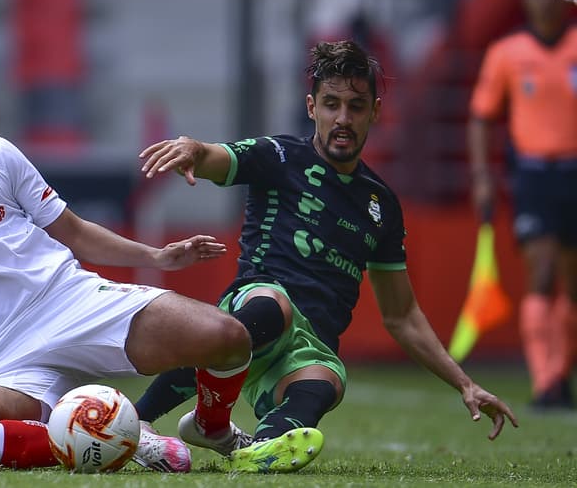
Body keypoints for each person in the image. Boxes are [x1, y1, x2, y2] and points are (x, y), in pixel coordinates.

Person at [0, 25, 327, 474]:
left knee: (228, 338)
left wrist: (157, 256)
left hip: (73, 300)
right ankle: (120, 441)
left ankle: (212, 429)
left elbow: (71, 231)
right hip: (6, 356)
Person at [134, 40, 517, 468]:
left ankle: (254, 445)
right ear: (312, 107)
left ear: (374, 111)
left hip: (309, 346)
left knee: (329, 378)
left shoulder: (381, 204)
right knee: (274, 308)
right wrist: (192, 147)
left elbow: (402, 315)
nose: (343, 118)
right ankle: (137, 420)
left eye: (356, 106)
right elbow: (212, 157)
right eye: (332, 104)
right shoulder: (279, 155)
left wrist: (464, 383)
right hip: (254, 309)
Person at [469, 0, 577, 409]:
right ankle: (544, 380)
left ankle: (560, 376)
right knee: (542, 271)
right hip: (532, 175)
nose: (545, 0)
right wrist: (482, 177)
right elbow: (481, 117)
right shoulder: (507, 53)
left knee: (571, 286)